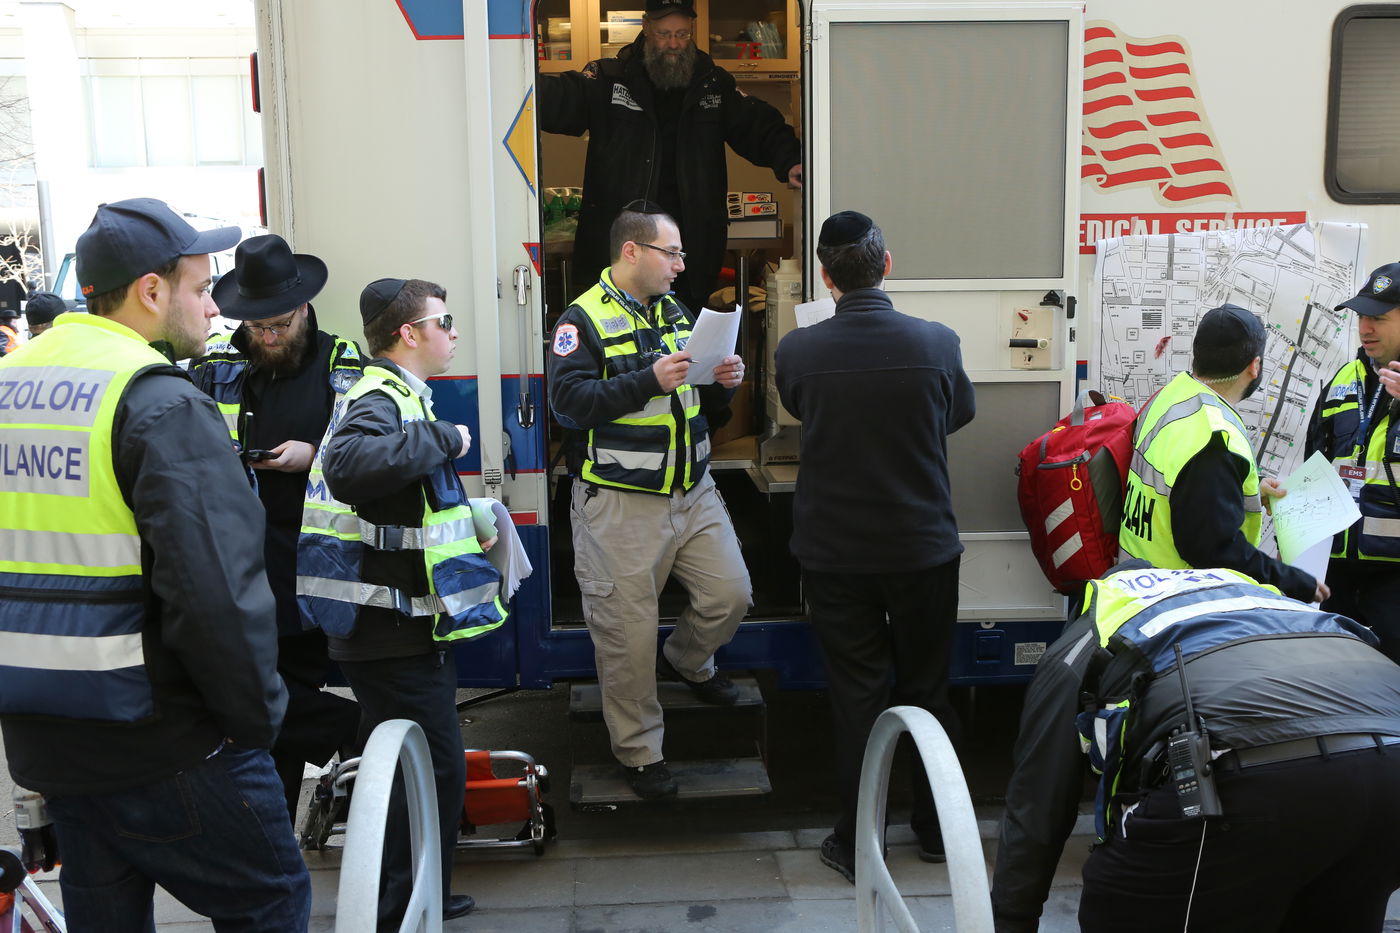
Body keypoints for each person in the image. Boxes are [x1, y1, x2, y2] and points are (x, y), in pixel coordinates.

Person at [0, 198, 310, 931]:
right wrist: (257, 722)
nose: (215, 309)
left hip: (48, 740)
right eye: (202, 289)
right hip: (167, 740)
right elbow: (215, 597)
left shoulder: (13, 383)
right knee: (270, 900)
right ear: (149, 291)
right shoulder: (157, 403)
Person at [992, 562, 1400, 932]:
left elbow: (1038, 801)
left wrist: (1013, 918)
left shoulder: (1094, 627)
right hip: (1391, 756)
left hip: (1241, 770)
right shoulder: (1257, 594)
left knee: (1119, 912)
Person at [297, 277, 507, 929]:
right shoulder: (378, 394)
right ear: (408, 333)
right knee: (430, 767)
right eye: (443, 320)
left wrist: (467, 513)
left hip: (398, 626)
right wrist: (445, 439)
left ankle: (409, 894)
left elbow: (395, 505)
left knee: (410, 763)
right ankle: (404, 906)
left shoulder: (399, 394)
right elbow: (352, 467)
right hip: (388, 631)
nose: (452, 332)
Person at [773, 211, 975, 882]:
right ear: (887, 265)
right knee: (928, 686)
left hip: (836, 554)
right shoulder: (938, 343)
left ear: (826, 278)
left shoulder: (798, 352)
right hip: (922, 548)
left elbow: (801, 407)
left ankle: (860, 841)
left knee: (857, 693)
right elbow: (959, 414)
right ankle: (937, 831)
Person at [547, 200, 751, 800]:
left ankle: (688, 659)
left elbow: (690, 404)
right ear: (631, 252)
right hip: (619, 505)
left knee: (731, 593)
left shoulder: (674, 310)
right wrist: (648, 379)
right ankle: (640, 753)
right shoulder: (579, 320)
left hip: (693, 491)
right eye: (674, 253)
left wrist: (720, 383)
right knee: (627, 637)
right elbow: (567, 405)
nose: (682, 266)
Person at [188, 234, 363, 821]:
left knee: (281, 691)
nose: (268, 336)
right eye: (257, 326)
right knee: (252, 691)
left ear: (305, 308)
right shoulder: (213, 367)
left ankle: (273, 832)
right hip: (234, 559)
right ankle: (350, 729)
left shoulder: (344, 364)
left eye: (280, 324)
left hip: (311, 560)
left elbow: (368, 454)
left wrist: (312, 455)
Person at [538, 0, 803, 312]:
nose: (674, 44)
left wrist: (791, 159)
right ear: (647, 27)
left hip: (691, 249)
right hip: (622, 249)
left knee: (684, 344)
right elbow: (560, 100)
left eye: (682, 34)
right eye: (665, 34)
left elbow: (759, 127)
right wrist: (516, 84)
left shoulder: (712, 85)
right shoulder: (610, 79)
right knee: (618, 342)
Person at [1119, 303, 1325, 603]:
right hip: (1176, 604)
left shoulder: (1172, 397)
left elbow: (1180, 490)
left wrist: (1247, 490)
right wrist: (1293, 582)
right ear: (1255, 366)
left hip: (1135, 586)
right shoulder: (1214, 439)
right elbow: (1215, 550)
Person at [1307, 263, 1400, 661]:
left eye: (1378, 318)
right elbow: (1316, 465)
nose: (1366, 328)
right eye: (1362, 316)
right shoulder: (1343, 378)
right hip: (1337, 573)